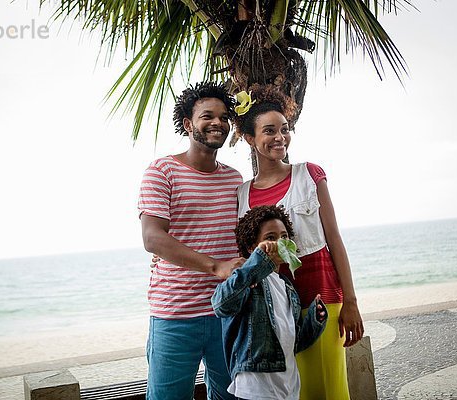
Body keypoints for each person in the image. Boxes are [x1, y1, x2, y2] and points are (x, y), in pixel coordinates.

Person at [232, 84, 364, 400]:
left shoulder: (310, 174)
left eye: (284, 129)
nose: (280, 137)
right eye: (269, 131)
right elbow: (244, 254)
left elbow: (334, 239)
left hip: (321, 296)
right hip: (274, 307)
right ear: (250, 139)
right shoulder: (242, 193)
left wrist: (351, 302)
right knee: (294, 390)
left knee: (331, 386)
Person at [137, 81, 245, 400]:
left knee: (230, 397)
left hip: (227, 311)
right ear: (188, 124)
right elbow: (152, 237)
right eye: (207, 116)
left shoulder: (234, 178)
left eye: (224, 117)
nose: (218, 123)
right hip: (175, 313)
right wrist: (215, 266)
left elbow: (240, 237)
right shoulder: (161, 171)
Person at [212, 205, 327, 400]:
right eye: (270, 238)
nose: (278, 243)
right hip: (256, 391)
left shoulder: (288, 287)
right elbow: (221, 304)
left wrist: (314, 322)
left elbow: (293, 342)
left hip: (289, 389)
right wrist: (257, 260)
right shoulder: (248, 279)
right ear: (251, 247)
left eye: (283, 236)